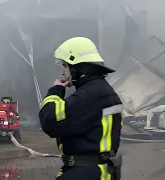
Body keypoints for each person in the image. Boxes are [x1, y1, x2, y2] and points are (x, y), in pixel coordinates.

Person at [39, 37, 123, 180]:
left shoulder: (91, 95)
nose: (63, 72)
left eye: (65, 65)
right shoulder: (102, 91)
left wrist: (56, 90)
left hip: (85, 173)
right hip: (96, 171)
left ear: (76, 66)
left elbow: (49, 121)